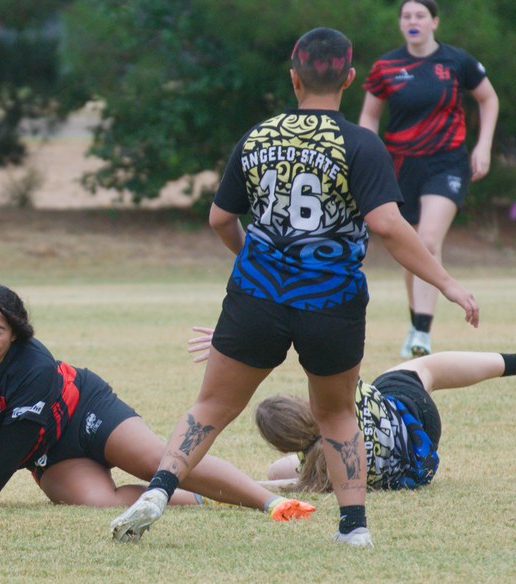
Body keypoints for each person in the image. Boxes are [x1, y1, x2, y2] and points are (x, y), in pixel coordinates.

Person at [109, 27, 479, 548]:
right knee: (334, 412)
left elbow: (220, 218)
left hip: (256, 296)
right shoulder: (361, 144)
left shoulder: (258, 136)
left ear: (293, 77)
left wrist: (254, 259)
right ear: (350, 78)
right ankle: (354, 527)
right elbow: (391, 227)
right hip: (331, 302)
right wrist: (446, 284)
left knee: (211, 407)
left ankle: (159, 490)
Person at [0, 283, 316, 521]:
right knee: (99, 503)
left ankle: (272, 504)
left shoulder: (33, 366)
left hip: (87, 412)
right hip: (49, 455)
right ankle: (209, 497)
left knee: (155, 460)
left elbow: (9, 453)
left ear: (15, 333)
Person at [187, 327, 515, 491]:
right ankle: (510, 363)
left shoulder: (322, 475)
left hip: (416, 465)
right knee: (423, 369)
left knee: (277, 471)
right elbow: (320, 351)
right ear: (303, 406)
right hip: (412, 418)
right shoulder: (344, 403)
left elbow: (279, 481)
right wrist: (245, 339)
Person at [359, 0, 499, 358]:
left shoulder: (457, 62)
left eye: (420, 15)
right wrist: (367, 157)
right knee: (412, 248)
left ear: (434, 21)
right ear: (400, 24)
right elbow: (369, 118)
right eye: (406, 16)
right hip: (402, 165)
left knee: (428, 239)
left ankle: (422, 333)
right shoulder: (386, 66)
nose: (413, 21)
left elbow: (489, 99)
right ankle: (416, 324)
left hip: (448, 163)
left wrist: (482, 147)